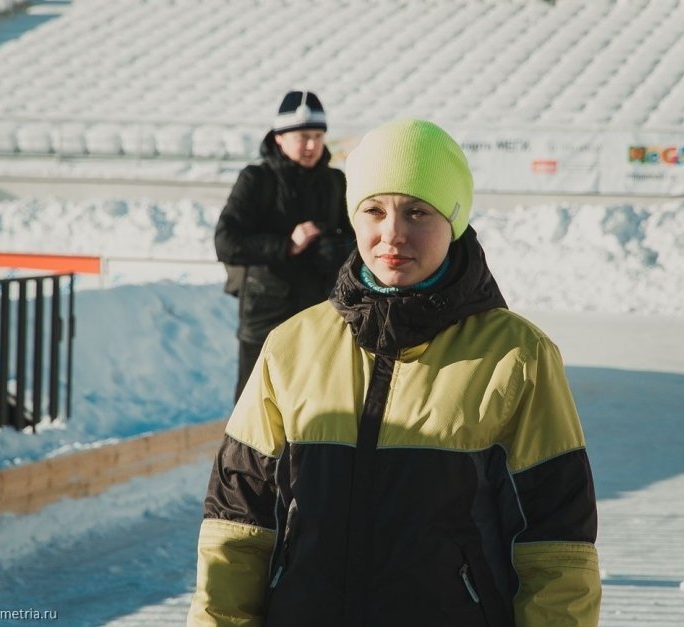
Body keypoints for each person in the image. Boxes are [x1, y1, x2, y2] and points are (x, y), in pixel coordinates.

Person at [190, 119, 601, 626]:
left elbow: (557, 545)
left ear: (453, 220)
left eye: (417, 211)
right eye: (374, 210)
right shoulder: (290, 346)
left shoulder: (518, 356)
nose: (393, 234)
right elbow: (238, 526)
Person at [214, 90, 353, 401]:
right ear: (279, 137)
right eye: (303, 136)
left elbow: (360, 240)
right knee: (255, 416)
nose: (311, 145)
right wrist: (286, 246)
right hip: (265, 319)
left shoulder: (335, 182)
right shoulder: (257, 180)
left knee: (315, 412)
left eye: (318, 136)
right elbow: (226, 241)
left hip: (318, 317)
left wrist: (340, 248)